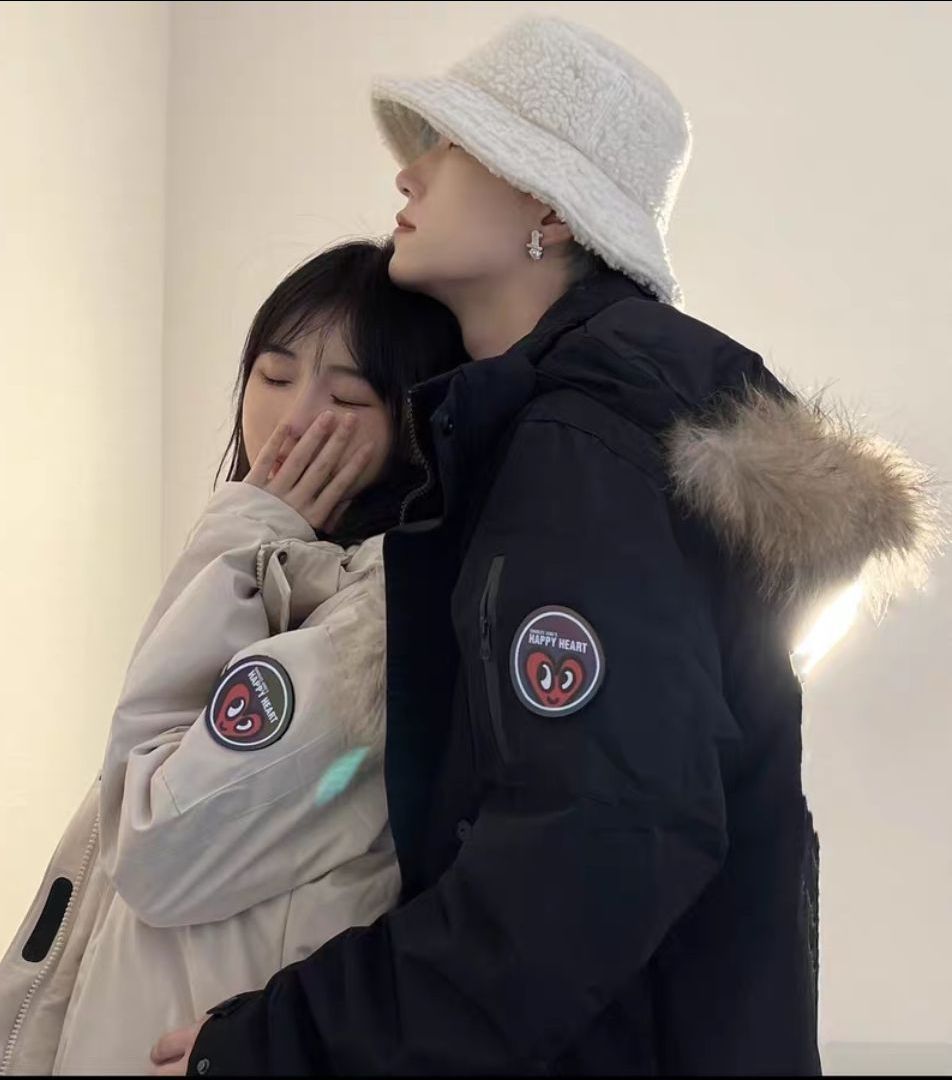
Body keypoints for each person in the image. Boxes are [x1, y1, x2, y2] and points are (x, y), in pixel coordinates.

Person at [151, 14, 942, 1076]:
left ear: (551, 211)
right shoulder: (570, 432)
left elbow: (596, 845)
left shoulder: (585, 446)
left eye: (450, 145)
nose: (408, 175)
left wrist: (285, 1041)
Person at [0, 236, 470, 1075]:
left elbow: (155, 842)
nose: (295, 418)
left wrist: (233, 537)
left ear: (411, 425)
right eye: (274, 376)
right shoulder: (278, 574)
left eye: (347, 396)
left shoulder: (371, 627)